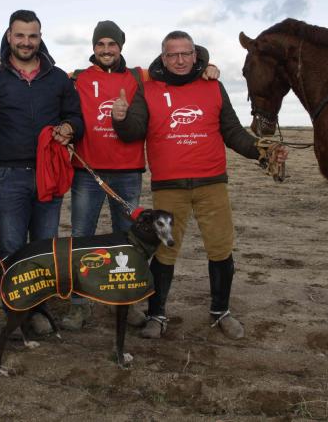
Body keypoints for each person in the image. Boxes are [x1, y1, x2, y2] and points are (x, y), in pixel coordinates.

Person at [112, 30, 288, 340]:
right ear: (162, 58)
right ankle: (157, 314)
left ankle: (221, 312)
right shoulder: (148, 90)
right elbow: (132, 132)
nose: (179, 60)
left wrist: (263, 150)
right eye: (172, 55)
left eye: (185, 54)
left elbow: (233, 133)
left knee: (220, 250)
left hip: (212, 185)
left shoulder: (214, 87)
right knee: (165, 252)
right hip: (168, 188)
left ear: (196, 55)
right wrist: (121, 118)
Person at [61, 20, 219, 331]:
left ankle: (128, 302)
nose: (106, 50)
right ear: (93, 47)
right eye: (100, 44)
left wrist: (207, 66)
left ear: (120, 46)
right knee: (81, 241)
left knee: (130, 245)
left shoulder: (139, 76)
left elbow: (177, 70)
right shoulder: (76, 78)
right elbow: (42, 77)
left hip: (128, 173)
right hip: (87, 175)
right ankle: (79, 306)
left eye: (112, 44)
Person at [0, 9, 83, 336]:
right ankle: (14, 311)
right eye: (20, 35)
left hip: (49, 173)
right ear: (9, 36)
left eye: (32, 36)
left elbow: (76, 117)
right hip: (7, 175)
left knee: (44, 248)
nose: (26, 42)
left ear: (40, 38)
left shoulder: (57, 77)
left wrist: (69, 128)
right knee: (11, 246)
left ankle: (38, 308)